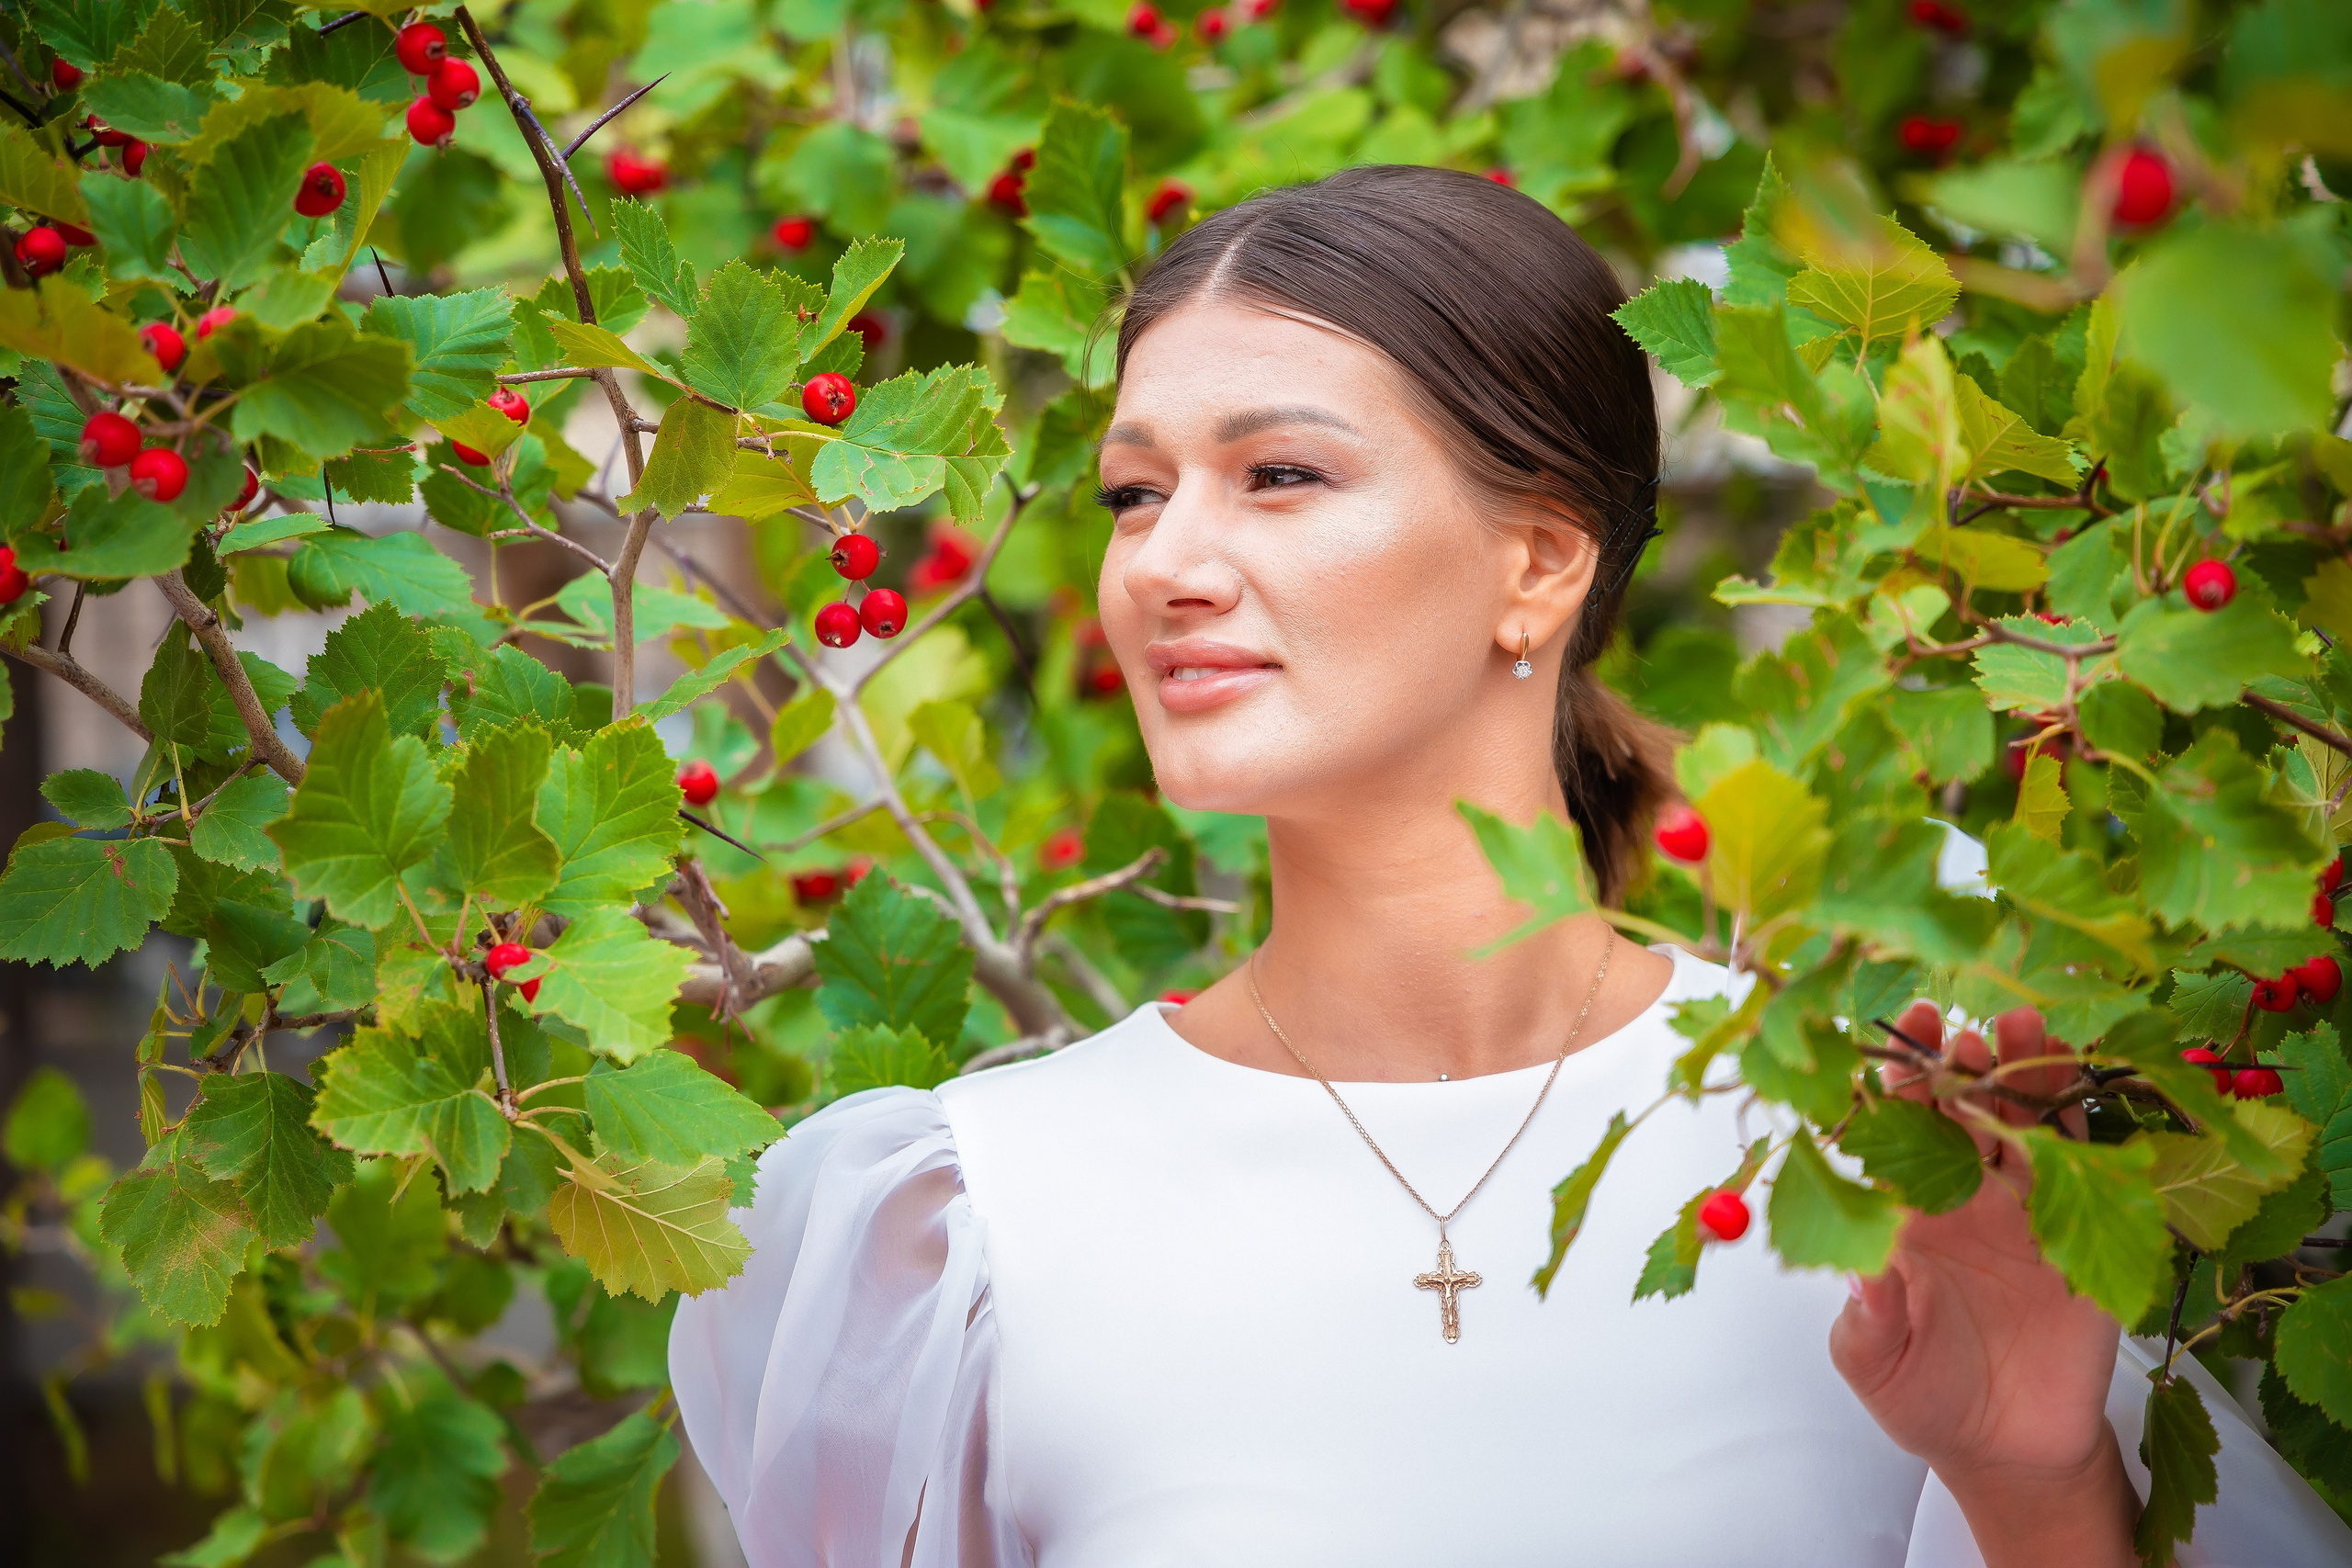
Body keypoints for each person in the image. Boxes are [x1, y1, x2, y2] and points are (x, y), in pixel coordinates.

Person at [670, 165, 2351, 1566]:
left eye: (1278, 475)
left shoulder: (1871, 1156)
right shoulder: (964, 1227)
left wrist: (2033, 1475)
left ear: (1539, 559)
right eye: (1132, 492)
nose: (1165, 561)